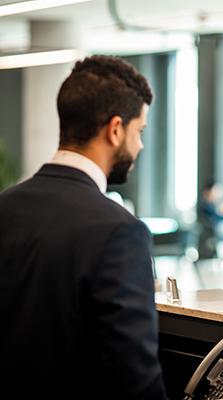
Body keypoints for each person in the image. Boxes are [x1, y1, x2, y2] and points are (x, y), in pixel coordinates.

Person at [0, 56, 167, 399]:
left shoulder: (5, 206)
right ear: (115, 129)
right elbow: (133, 378)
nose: (140, 147)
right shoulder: (120, 232)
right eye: (139, 132)